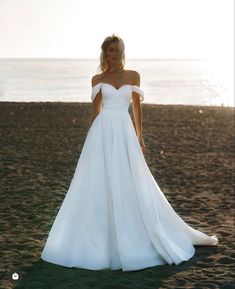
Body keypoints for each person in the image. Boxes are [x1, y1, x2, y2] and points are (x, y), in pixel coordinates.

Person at [41, 34, 218, 272]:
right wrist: (89, 137)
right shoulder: (97, 78)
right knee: (98, 182)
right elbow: (96, 111)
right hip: (101, 133)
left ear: (122, 52)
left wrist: (140, 137)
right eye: (109, 51)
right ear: (104, 53)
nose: (113, 54)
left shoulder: (133, 75)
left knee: (131, 179)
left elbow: (136, 108)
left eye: (116, 50)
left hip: (124, 131)